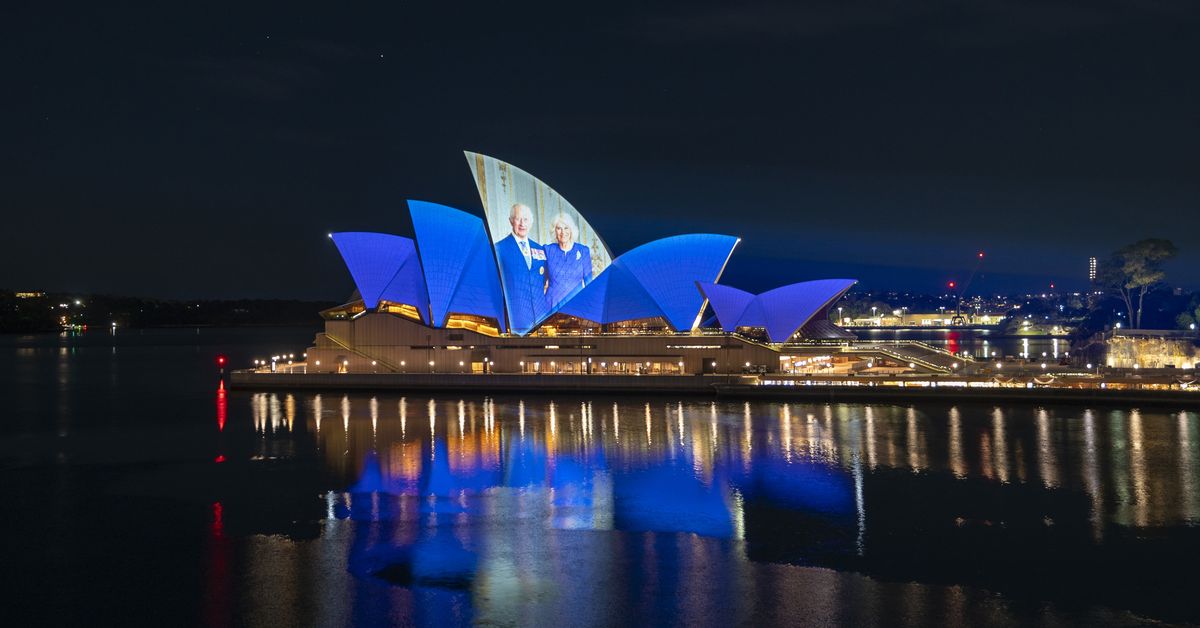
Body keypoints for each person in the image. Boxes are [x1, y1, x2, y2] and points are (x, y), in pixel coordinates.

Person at [494, 203, 547, 333]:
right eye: (518, 219)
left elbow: (544, 280)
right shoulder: (499, 249)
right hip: (514, 322)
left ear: (531, 223)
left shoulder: (539, 249)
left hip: (540, 321)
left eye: (526, 219)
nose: (522, 223)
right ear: (511, 221)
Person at [543, 212, 592, 307]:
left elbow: (589, 283)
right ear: (554, 231)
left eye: (566, 228)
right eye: (559, 228)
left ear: (571, 230)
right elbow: (541, 280)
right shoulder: (547, 250)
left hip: (577, 305)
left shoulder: (583, 251)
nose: (563, 232)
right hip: (552, 306)